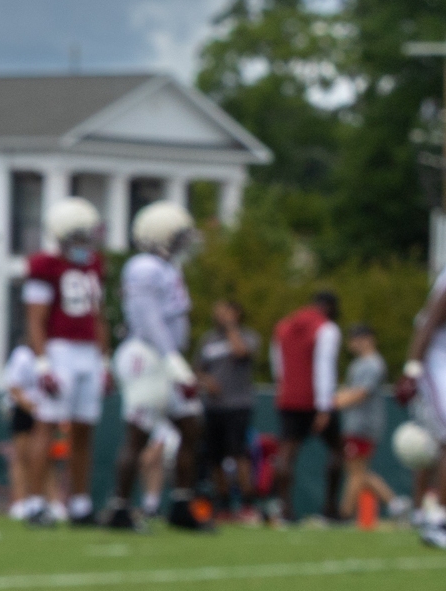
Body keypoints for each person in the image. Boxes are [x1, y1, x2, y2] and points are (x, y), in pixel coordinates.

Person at [109, 200, 202, 532]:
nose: (184, 243)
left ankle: (180, 505)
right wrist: (172, 359)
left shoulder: (167, 268)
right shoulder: (143, 267)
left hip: (166, 357)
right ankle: (118, 509)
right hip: (148, 356)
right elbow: (148, 319)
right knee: (138, 435)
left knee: (190, 427)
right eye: (178, 236)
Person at [22, 197, 110, 525]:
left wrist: (105, 359)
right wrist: (43, 361)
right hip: (59, 350)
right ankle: (34, 502)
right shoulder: (45, 265)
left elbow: (99, 316)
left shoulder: (94, 264)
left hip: (88, 351)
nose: (87, 240)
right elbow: (35, 319)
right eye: (81, 233)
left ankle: (80, 503)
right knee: (46, 425)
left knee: (84, 429)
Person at [270, 286, 342, 524]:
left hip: (289, 397)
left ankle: (285, 510)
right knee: (337, 451)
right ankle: (330, 508)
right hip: (314, 399)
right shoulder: (326, 329)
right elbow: (324, 367)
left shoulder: (282, 326)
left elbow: (277, 364)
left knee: (287, 454)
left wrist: (284, 389)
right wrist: (324, 406)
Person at [195, 299, 260, 522]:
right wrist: (206, 381)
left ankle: (247, 504)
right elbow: (196, 371)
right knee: (214, 457)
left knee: (239, 454)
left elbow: (242, 352)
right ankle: (223, 504)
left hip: (238, 405)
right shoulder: (208, 340)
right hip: (213, 407)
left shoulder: (248, 336)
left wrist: (232, 327)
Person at [333, 324, 390, 523]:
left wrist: (332, 402)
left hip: (363, 425)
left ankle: (344, 513)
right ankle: (395, 503)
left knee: (356, 472)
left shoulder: (373, 364)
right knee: (359, 472)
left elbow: (361, 393)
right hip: (354, 423)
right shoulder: (358, 364)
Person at [405, 265, 446, 537]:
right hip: (437, 363)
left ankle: (425, 512)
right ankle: (438, 518)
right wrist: (412, 370)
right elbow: (428, 323)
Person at [1, 336, 46, 519]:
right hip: (24, 410)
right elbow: (14, 388)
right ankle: (20, 501)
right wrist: (33, 409)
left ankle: (50, 501)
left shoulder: (52, 354)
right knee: (22, 456)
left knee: (46, 458)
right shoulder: (22, 356)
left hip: (45, 411)